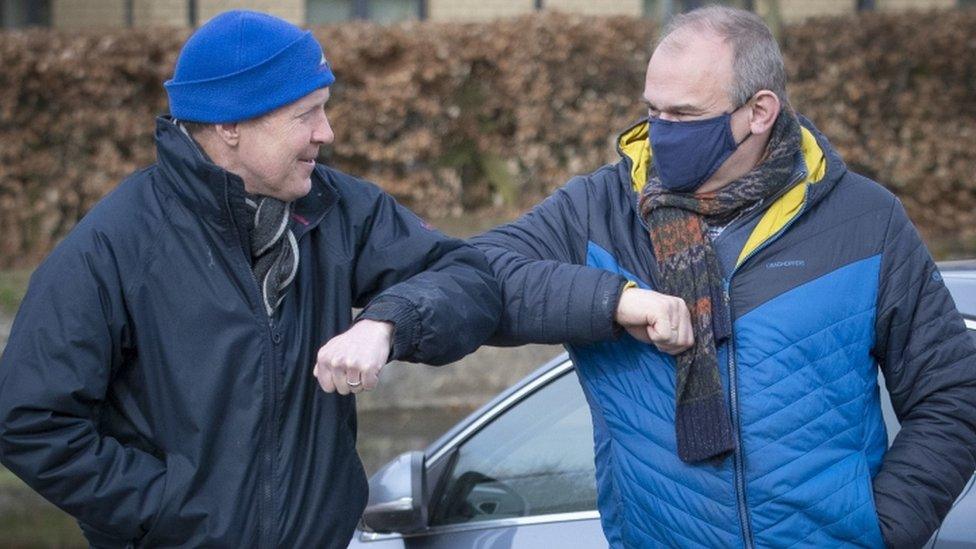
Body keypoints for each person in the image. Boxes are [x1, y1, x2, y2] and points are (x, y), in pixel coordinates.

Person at [472, 6, 976, 548]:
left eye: (685, 117)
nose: (661, 134)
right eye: (652, 111)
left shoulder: (865, 221)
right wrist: (614, 300)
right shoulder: (599, 211)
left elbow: (952, 394)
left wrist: (882, 532)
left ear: (759, 111)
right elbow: (476, 276)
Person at [0, 10, 499, 547]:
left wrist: (386, 323)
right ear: (230, 125)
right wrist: (172, 513)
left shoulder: (338, 208)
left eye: (324, 111)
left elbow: (467, 276)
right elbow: (30, 420)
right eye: (305, 115)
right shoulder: (114, 245)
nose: (325, 133)